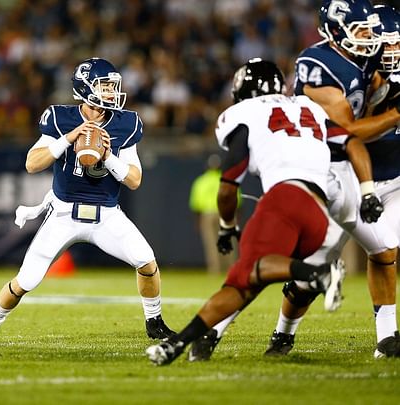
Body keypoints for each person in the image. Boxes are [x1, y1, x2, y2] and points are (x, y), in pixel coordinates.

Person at [187, 0, 400, 362]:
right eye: (375, 37)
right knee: (268, 260)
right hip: (319, 171)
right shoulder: (320, 65)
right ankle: (212, 331)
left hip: (350, 171)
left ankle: (385, 339)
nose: (384, 47)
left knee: (379, 251)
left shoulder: (368, 59)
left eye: (386, 39)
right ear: (336, 32)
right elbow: (348, 131)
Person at [146, 58, 378, 366]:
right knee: (253, 276)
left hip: (285, 199)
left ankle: (316, 273)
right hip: (321, 213)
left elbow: (229, 183)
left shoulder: (245, 113)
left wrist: (228, 226)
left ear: (242, 90)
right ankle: (188, 343)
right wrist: (368, 191)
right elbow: (353, 144)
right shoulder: (309, 109)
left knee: (246, 276)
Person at [0, 57, 174, 344]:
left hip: (107, 214)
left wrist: (107, 157)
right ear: (86, 87)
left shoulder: (126, 123)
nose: (111, 92)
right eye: (105, 86)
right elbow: (32, 163)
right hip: (64, 213)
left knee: (146, 261)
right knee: (26, 280)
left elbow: (134, 179)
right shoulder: (59, 117)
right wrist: (68, 138)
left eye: (112, 86)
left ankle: (155, 322)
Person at [189, 153, 236, 274]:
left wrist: (198, 221)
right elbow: (237, 200)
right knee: (228, 241)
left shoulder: (201, 181)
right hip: (225, 213)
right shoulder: (227, 179)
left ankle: (215, 270)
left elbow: (196, 204)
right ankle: (231, 269)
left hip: (208, 214)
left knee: (211, 243)